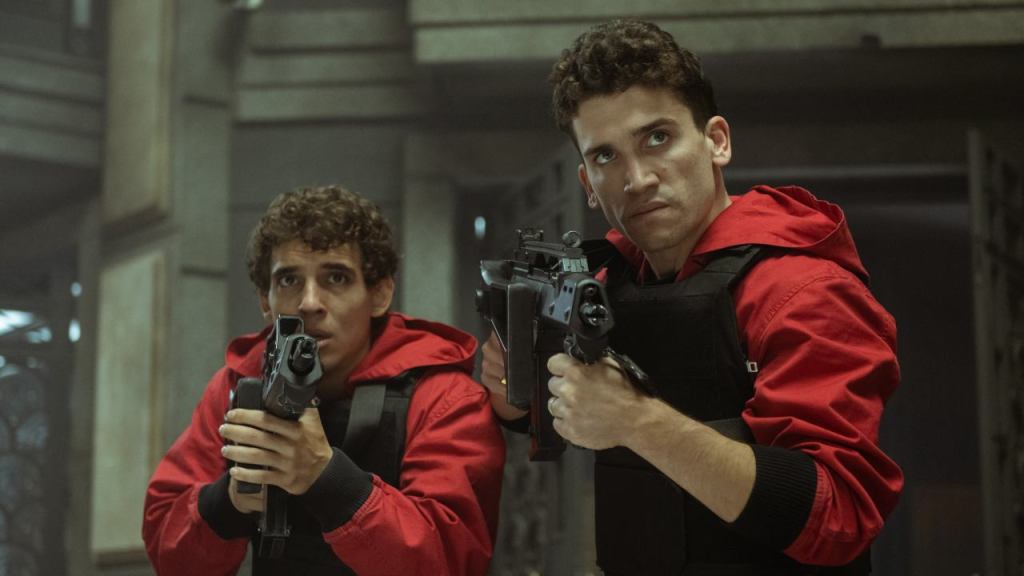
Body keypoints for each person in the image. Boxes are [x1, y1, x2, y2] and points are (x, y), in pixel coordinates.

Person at [480, 19, 902, 575]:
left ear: (716, 141)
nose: (636, 179)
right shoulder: (607, 281)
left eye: (657, 138)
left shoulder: (800, 290)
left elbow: (838, 514)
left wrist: (636, 420)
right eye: (605, 156)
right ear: (587, 185)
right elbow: (558, 413)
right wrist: (517, 385)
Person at [144, 185, 505, 575]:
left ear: (380, 294)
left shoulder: (443, 398)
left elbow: (452, 560)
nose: (309, 303)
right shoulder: (239, 386)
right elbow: (167, 548)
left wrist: (328, 480)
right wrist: (228, 502)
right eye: (288, 281)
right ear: (265, 301)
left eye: (336, 278)